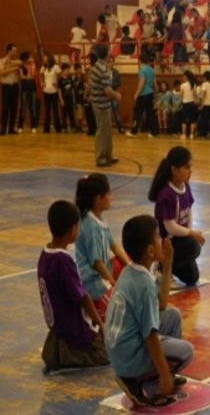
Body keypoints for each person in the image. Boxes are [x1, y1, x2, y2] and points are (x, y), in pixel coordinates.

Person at [106, 215, 193, 407]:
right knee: (187, 352)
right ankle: (140, 379)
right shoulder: (143, 284)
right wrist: (164, 373)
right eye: (157, 236)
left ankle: (152, 373)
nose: (162, 240)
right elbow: (150, 335)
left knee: (173, 316)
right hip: (130, 357)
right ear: (150, 250)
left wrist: (168, 265)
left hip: (120, 350)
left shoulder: (132, 271)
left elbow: (161, 305)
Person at [38, 200, 109, 373]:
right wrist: (101, 326)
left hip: (58, 329)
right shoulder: (63, 260)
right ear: (72, 230)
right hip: (75, 333)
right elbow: (83, 297)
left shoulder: (45, 255)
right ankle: (72, 355)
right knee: (111, 352)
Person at [74, 173, 131, 319]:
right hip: (93, 281)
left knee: (129, 259)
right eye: (109, 193)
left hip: (103, 270)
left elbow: (114, 246)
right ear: (98, 199)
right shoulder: (90, 226)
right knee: (120, 311)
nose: (112, 197)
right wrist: (113, 285)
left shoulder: (99, 217)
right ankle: (96, 304)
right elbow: (96, 263)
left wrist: (130, 265)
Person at [148, 146, 203, 287]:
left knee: (193, 277)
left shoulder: (186, 186)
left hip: (179, 240)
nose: (190, 171)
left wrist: (188, 232)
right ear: (173, 170)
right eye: (186, 167)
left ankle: (170, 269)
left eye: (190, 167)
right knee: (194, 246)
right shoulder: (166, 194)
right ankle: (161, 268)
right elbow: (170, 227)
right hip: (167, 242)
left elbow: (189, 210)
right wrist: (191, 234)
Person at [88, 49, 117, 168]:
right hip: (101, 104)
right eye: (109, 52)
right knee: (102, 131)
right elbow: (107, 90)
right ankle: (101, 157)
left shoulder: (96, 66)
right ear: (106, 55)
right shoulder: (103, 70)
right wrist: (116, 95)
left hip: (99, 103)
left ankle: (109, 155)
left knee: (107, 131)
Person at [127, 53, 157, 137]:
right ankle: (154, 131)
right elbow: (155, 83)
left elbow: (142, 82)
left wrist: (137, 93)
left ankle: (134, 131)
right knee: (150, 113)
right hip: (150, 93)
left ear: (140, 61)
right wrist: (156, 93)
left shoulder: (142, 70)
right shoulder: (151, 69)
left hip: (143, 94)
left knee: (137, 113)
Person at [0, 44, 21, 135]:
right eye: (13, 51)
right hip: (6, 87)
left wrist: (12, 64)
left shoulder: (16, 61)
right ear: (9, 51)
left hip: (15, 86)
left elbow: (21, 63)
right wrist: (14, 68)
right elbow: (2, 72)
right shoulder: (1, 61)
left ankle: (11, 129)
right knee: (5, 108)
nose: (15, 52)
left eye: (15, 51)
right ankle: (3, 129)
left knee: (14, 108)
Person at [40, 53, 63, 134]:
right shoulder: (43, 68)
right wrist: (42, 82)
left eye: (45, 57)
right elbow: (41, 76)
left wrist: (57, 83)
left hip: (54, 91)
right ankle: (46, 129)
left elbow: (61, 76)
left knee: (55, 110)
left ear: (49, 58)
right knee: (47, 111)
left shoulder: (56, 67)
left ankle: (58, 129)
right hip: (46, 91)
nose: (44, 59)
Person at [16, 51, 37, 133]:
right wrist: (28, 77)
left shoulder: (33, 65)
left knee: (33, 107)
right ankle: (20, 126)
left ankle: (33, 126)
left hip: (32, 87)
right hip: (24, 88)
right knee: (23, 107)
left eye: (31, 57)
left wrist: (29, 76)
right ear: (25, 58)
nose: (31, 58)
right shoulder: (21, 66)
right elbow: (22, 77)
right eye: (29, 57)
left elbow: (33, 76)